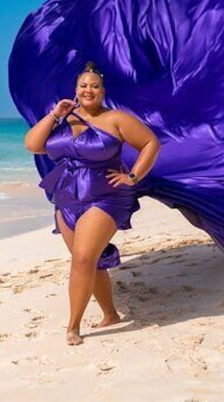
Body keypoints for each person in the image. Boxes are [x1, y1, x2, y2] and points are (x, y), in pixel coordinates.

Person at [24, 61, 160, 345]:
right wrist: (54, 114)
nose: (89, 90)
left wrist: (132, 177)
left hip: (106, 195)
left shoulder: (116, 119)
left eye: (94, 86)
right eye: (83, 86)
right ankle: (110, 314)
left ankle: (73, 326)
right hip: (67, 197)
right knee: (89, 261)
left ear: (103, 91)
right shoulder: (64, 118)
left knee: (83, 258)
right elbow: (33, 145)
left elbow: (150, 143)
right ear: (75, 90)